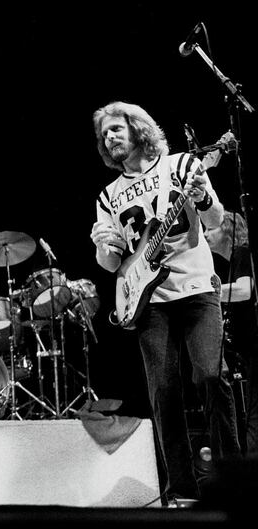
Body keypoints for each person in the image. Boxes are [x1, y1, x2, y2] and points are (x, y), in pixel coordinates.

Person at [89, 101, 241, 504]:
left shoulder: (182, 166)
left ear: (137, 129)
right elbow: (110, 264)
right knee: (164, 392)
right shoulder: (108, 196)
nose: (110, 138)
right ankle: (182, 489)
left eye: (117, 129)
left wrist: (204, 199)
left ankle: (232, 479)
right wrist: (104, 247)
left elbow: (213, 221)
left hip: (196, 289)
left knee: (211, 376)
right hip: (147, 301)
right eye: (105, 134)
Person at [205, 210, 257, 455]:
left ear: (228, 230)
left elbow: (244, 290)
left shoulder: (242, 253)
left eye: (210, 229)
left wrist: (207, 291)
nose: (205, 234)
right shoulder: (235, 260)